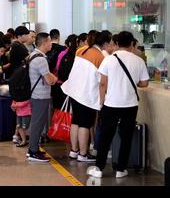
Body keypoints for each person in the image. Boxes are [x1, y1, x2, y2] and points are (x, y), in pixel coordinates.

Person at [87, 31, 149, 179]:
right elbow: (145, 83)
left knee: (106, 138)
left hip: (111, 104)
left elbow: (102, 83)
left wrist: (101, 102)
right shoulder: (138, 60)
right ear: (132, 44)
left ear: (116, 43)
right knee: (126, 137)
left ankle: (99, 169)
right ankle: (121, 170)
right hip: (130, 104)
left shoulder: (109, 60)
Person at [62, 31, 112, 163]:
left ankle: (74, 151)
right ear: (105, 43)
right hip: (87, 94)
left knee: (76, 121)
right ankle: (83, 154)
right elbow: (102, 81)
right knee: (85, 123)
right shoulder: (101, 57)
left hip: (73, 90)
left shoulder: (82, 50)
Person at [26, 33, 57, 162]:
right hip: (40, 96)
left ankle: (34, 149)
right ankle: (33, 151)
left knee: (37, 123)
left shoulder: (34, 55)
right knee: (37, 124)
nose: (51, 44)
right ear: (44, 43)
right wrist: (54, 78)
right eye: (50, 42)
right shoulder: (41, 59)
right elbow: (50, 80)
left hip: (36, 95)